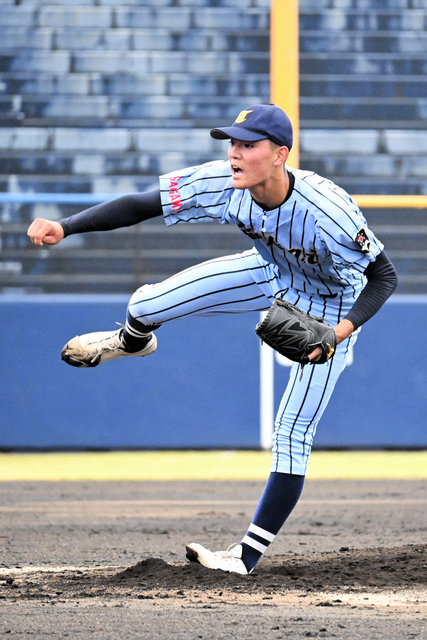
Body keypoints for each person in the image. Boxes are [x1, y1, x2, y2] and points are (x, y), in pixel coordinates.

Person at [27, 104, 397, 575]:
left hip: (331, 307)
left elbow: (384, 277)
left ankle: (243, 558)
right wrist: (67, 226)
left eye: (248, 144)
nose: (235, 153)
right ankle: (134, 341)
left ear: (280, 154)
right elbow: (144, 203)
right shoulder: (222, 181)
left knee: (290, 435)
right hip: (269, 272)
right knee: (146, 304)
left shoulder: (328, 208)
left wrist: (338, 334)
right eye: (233, 143)